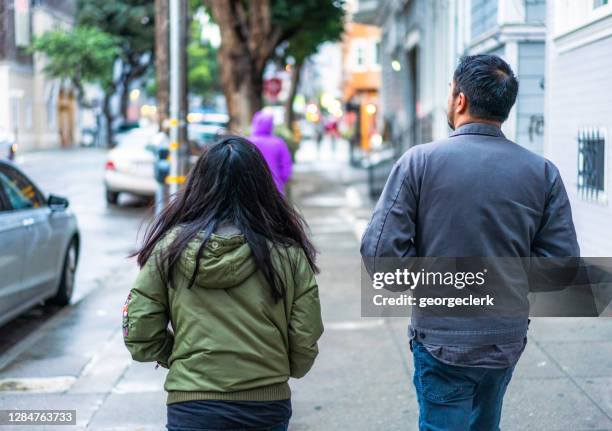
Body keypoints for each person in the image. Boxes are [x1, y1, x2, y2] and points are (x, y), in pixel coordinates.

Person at [361, 55, 578, 430]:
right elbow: (559, 269)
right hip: (504, 337)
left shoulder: (419, 163)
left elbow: (382, 257)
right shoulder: (542, 172)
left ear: (459, 99)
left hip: (441, 339)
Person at [123, 136, 323, 431]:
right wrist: (279, 366)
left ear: (199, 184)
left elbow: (139, 329)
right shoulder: (287, 253)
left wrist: (178, 356)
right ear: (262, 186)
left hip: (192, 405)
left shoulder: (169, 249)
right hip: (265, 406)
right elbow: (305, 335)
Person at [248, 110, 293, 194]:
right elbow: (286, 165)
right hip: (275, 187)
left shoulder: (248, 142)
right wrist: (281, 180)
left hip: (253, 187)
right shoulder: (279, 143)